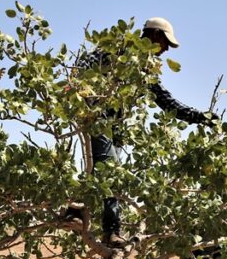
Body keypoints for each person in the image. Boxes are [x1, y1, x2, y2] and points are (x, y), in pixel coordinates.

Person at [68, 17, 214, 245]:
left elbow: (164, 100)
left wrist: (199, 117)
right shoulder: (118, 49)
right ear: (155, 35)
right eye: (166, 43)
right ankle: (111, 231)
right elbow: (81, 71)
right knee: (111, 172)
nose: (166, 50)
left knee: (104, 170)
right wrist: (88, 103)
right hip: (97, 116)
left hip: (115, 123)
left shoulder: (143, 67)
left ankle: (74, 208)